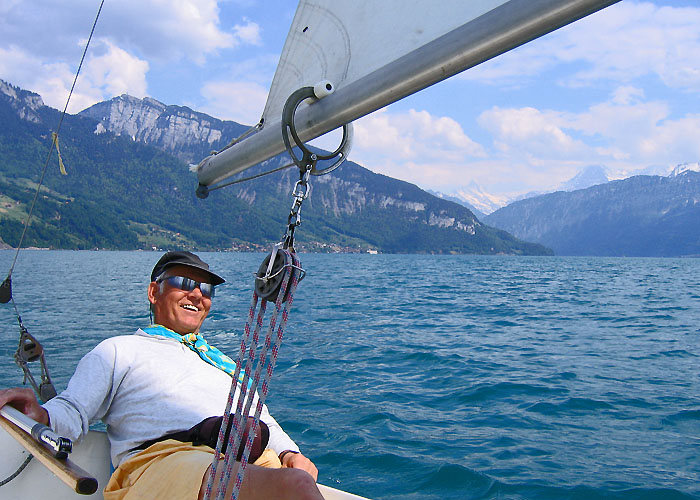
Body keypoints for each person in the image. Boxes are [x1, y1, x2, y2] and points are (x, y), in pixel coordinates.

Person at [0, 251, 323, 500]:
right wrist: (40, 414)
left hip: (239, 461)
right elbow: (73, 409)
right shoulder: (119, 350)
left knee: (298, 481)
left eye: (205, 288)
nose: (197, 294)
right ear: (154, 292)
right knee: (293, 487)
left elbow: (261, 416)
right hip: (163, 462)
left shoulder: (223, 364)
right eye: (183, 283)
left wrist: (289, 452)